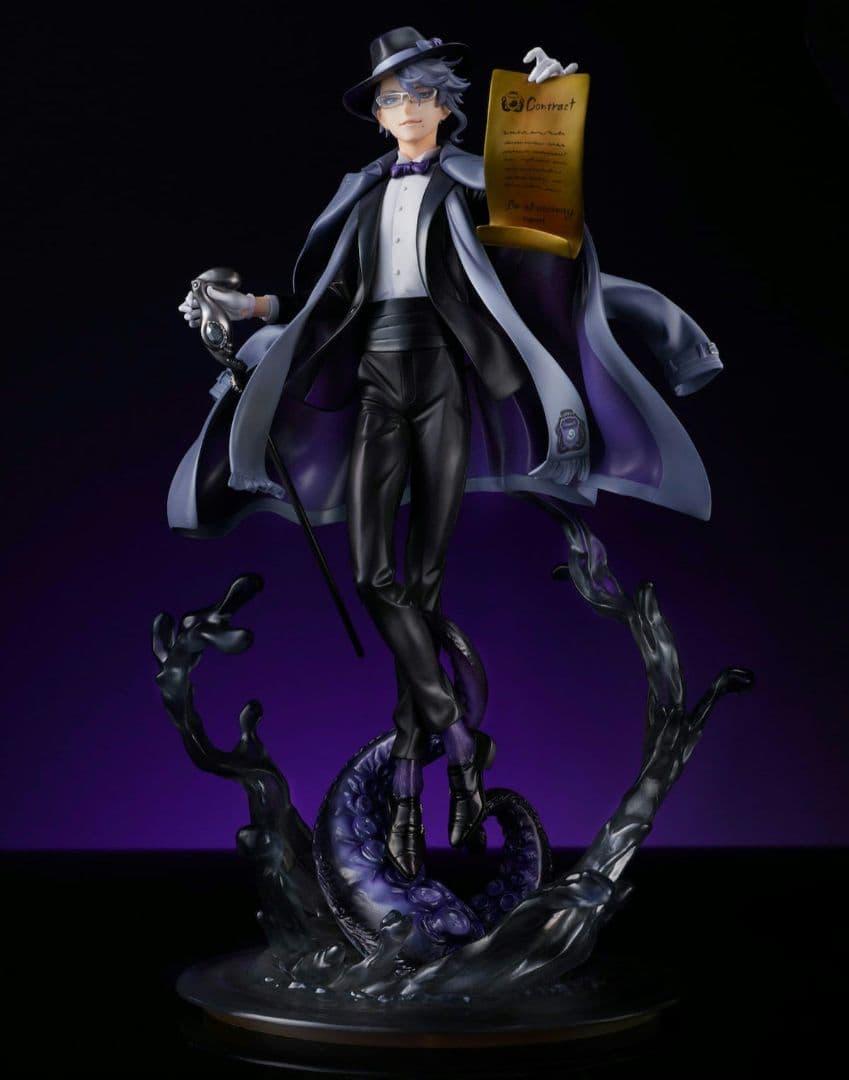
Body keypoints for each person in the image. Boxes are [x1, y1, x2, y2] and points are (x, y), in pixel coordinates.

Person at [173, 27, 723, 880]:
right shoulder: (361, 194)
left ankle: (408, 794)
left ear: (444, 105)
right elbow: (326, 298)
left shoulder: (468, 183)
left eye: (418, 94)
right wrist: (245, 310)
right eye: (390, 98)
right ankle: (461, 744)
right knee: (375, 577)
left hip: (445, 380)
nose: (404, 109)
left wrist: (542, 113)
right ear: (377, 114)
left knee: (421, 586)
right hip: (374, 380)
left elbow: (543, 240)